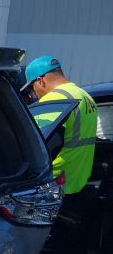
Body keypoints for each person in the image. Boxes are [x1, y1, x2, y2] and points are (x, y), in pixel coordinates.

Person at [22, 56, 98, 195]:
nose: (34, 93)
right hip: (77, 181)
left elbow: (41, 146)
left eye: (32, 87)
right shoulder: (85, 95)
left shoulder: (55, 100)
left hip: (53, 185)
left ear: (40, 81)